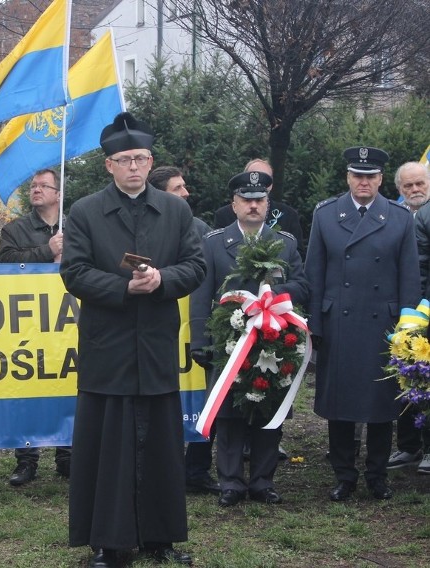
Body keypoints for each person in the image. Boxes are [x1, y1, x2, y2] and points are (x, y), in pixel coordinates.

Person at [61, 112, 204, 567]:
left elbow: (196, 266)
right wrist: (123, 288)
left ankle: (160, 539)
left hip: (157, 347)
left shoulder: (176, 209)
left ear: (151, 160)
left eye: (141, 159)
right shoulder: (84, 211)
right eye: (124, 160)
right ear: (109, 166)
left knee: (162, 445)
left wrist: (162, 279)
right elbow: (74, 272)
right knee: (108, 449)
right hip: (110, 348)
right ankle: (108, 543)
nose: (134, 168)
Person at [305, 147, 420, 501]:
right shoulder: (326, 215)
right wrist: (315, 325)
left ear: (381, 180)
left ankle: (376, 474)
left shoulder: (399, 218)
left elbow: (409, 278)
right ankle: (344, 475)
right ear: (348, 178)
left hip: (382, 324)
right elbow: (315, 272)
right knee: (341, 404)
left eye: (371, 176)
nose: (364, 181)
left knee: (381, 404)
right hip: (338, 320)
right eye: (358, 175)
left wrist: (408, 328)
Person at [190, 171, 309, 507]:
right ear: (235, 204)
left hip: (273, 338)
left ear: (267, 204)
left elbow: (302, 285)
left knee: (268, 410)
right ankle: (231, 482)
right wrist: (199, 340)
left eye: (259, 200)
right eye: (247, 200)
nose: (253, 205)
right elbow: (201, 294)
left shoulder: (284, 242)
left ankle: (262, 481)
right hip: (228, 340)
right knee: (228, 414)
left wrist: (275, 294)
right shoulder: (214, 242)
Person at [0, 168, 71, 485]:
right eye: (33, 185)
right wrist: (48, 250)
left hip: (69, 320)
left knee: (70, 384)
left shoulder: (76, 225)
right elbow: (5, 264)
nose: (36, 189)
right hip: (27, 322)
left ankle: (68, 455)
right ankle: (26, 459)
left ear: (58, 193)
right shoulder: (15, 229)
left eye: (44, 185)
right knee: (26, 387)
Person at [148, 166, 219, 496]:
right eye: (179, 189)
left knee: (203, 401)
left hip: (194, 331)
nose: (187, 194)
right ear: (161, 193)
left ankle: (196, 469)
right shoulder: (143, 227)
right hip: (155, 332)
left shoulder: (202, 230)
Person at [390, 161, 430, 473]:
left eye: (420, 184)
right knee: (402, 375)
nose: (415, 190)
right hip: (400, 310)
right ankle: (407, 446)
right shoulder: (392, 215)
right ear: (399, 189)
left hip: (427, 308)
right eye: (408, 186)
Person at [214, 159, 304, 252]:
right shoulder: (224, 215)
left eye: (265, 178)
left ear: (271, 185)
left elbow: (297, 254)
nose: (257, 183)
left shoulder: (288, 215)